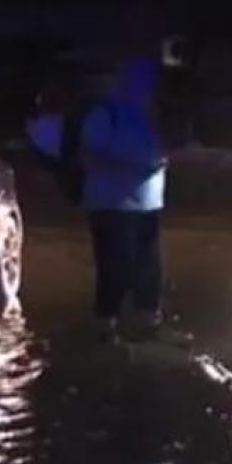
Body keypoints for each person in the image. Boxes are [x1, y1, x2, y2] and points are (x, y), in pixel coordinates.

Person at [81, 55, 178, 344]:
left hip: (147, 204)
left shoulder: (150, 114)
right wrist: (137, 168)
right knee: (116, 267)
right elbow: (88, 157)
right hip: (111, 205)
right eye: (142, 81)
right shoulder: (105, 114)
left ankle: (149, 325)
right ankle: (105, 327)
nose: (147, 88)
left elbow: (164, 148)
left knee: (149, 267)